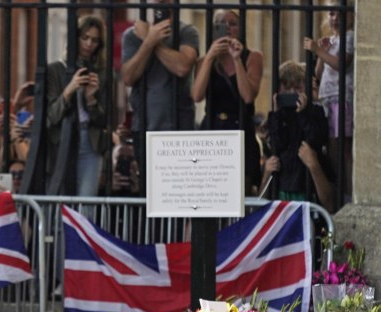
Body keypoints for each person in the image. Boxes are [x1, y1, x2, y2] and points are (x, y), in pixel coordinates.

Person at [120, 0, 199, 194]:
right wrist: (147, 42)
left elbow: (182, 67)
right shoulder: (132, 35)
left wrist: (150, 39)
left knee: (177, 195)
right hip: (144, 125)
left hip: (179, 125)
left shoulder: (186, 32)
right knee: (150, 192)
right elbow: (128, 77)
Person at [192, 9, 263, 196]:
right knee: (211, 192)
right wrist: (209, 58)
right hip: (213, 129)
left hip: (240, 128)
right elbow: (197, 95)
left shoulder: (252, 57)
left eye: (233, 23)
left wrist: (236, 59)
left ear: (240, 29)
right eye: (222, 24)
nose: (228, 28)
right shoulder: (204, 61)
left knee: (240, 192)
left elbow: (248, 96)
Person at [259, 61, 334, 212]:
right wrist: (276, 113)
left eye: (297, 87)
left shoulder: (315, 112)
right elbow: (277, 143)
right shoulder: (277, 116)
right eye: (287, 88)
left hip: (306, 183)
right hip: (284, 182)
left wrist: (304, 112)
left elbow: (315, 138)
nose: (292, 92)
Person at [47, 15, 109, 196]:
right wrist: (70, 89)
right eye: (85, 38)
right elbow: (52, 115)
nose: (89, 44)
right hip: (63, 138)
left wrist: (91, 99)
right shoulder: (55, 70)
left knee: (86, 201)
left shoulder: (103, 74)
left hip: (90, 140)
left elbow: (105, 120)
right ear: (75, 38)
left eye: (95, 40)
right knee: (60, 200)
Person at [304, 0, 355, 204]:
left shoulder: (349, 38)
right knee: (333, 150)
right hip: (328, 99)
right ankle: (340, 188)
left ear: (350, 16)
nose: (335, 18)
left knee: (341, 151)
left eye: (339, 14)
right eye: (331, 14)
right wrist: (320, 54)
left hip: (340, 99)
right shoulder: (333, 40)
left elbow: (341, 64)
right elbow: (319, 73)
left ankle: (348, 193)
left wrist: (318, 50)